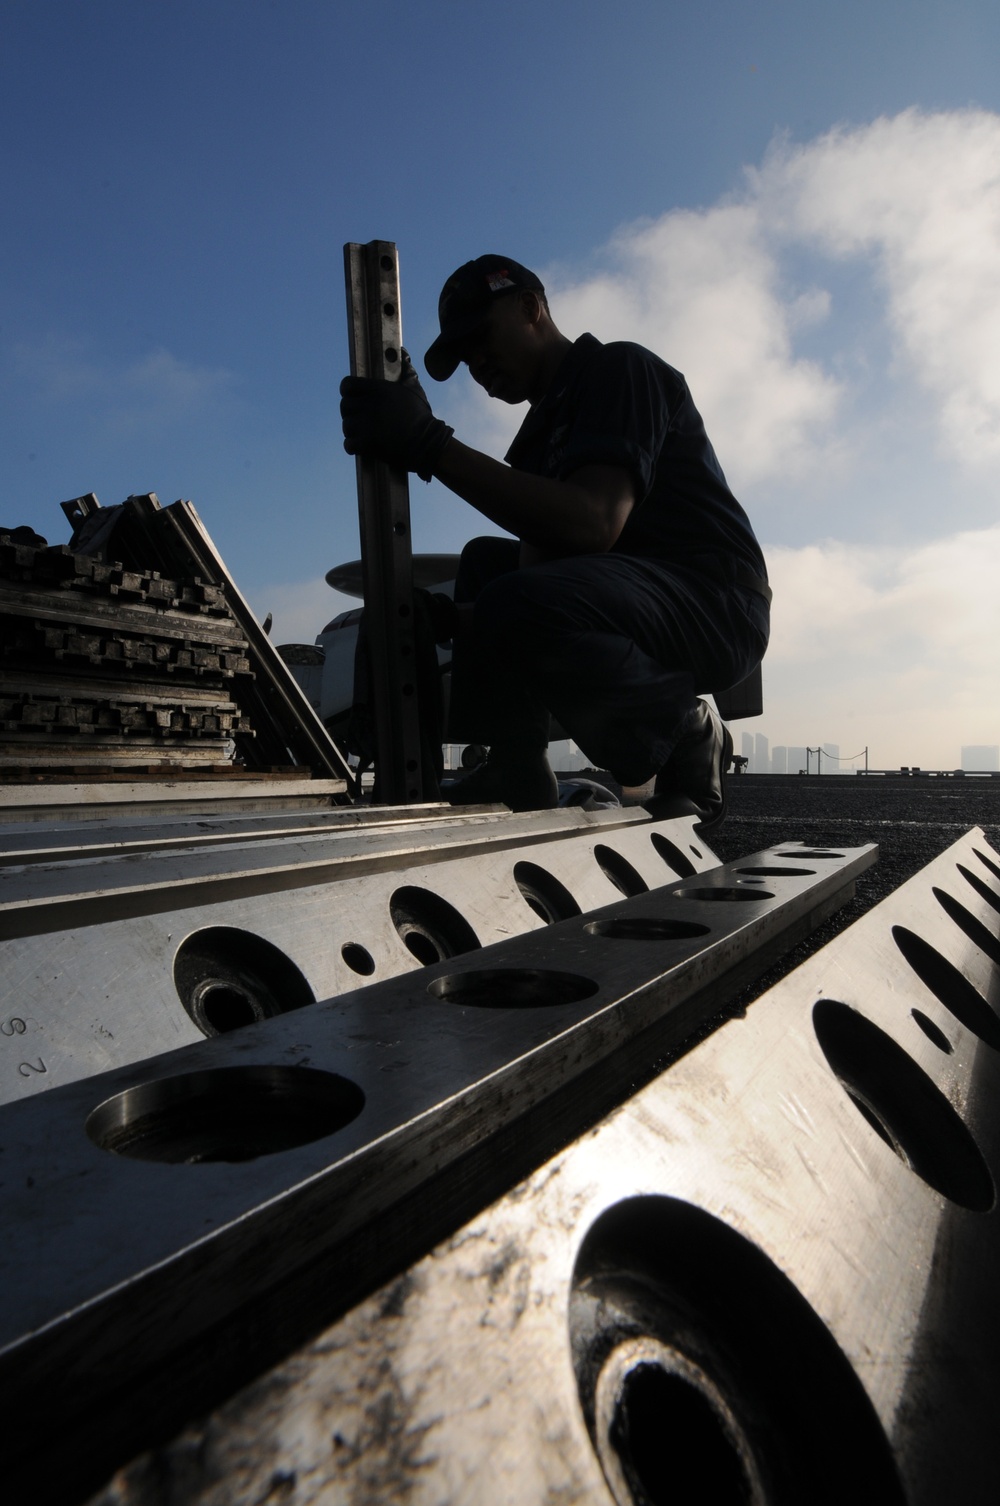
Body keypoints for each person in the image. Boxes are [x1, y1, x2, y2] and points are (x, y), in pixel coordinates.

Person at [340, 254, 770, 827]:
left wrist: (428, 445)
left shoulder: (619, 370)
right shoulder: (539, 440)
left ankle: (689, 737)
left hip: (716, 601)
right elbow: (531, 582)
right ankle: (517, 762)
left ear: (530, 307)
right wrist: (441, 618)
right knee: (487, 567)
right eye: (465, 357)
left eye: (481, 338)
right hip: (637, 596)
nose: (478, 363)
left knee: (511, 595)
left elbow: (593, 522)